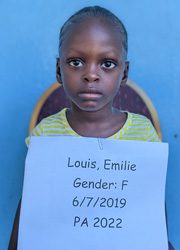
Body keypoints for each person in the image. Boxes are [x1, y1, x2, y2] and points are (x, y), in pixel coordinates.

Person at [8, 5, 174, 250]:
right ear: (58, 70)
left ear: (124, 72)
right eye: (76, 62)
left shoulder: (143, 134)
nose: (90, 75)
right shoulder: (46, 133)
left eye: (107, 63)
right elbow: (33, 202)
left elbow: (151, 206)